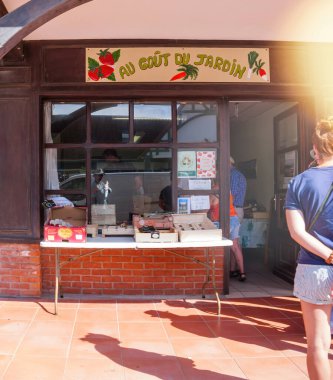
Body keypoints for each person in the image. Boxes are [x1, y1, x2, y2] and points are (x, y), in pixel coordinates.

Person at [285, 118, 333, 380]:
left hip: (314, 268)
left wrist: (329, 255)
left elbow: (297, 232)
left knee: (317, 344)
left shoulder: (299, 182)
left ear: (315, 148)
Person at [208, 181, 246, 281]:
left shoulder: (214, 190)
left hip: (223, 220)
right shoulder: (225, 186)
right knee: (235, 246)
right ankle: (242, 273)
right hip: (234, 218)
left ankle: (220, 275)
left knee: (220, 246)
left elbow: (211, 204)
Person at [230, 156, 247, 222]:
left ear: (229, 163)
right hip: (237, 208)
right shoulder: (236, 174)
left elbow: (233, 193)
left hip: (234, 209)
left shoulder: (234, 174)